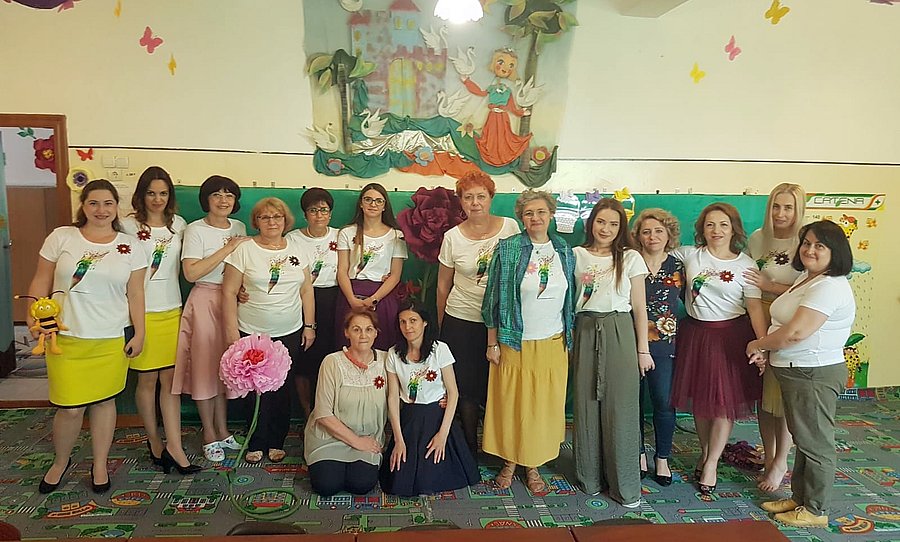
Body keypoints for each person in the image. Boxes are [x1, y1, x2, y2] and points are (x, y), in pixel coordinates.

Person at [28, 179, 146, 494]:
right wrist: (34, 317)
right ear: (83, 205)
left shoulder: (131, 245)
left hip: (110, 337)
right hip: (65, 338)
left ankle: (99, 464)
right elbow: (41, 279)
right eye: (93, 203)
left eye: (108, 203)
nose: (101, 210)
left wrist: (140, 333)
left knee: (105, 402)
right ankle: (60, 461)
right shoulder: (61, 237)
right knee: (70, 408)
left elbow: (136, 294)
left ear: (116, 207)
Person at [747, 220, 855, 528]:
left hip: (813, 373)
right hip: (798, 371)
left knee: (816, 444)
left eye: (820, 245)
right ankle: (800, 499)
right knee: (804, 439)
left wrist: (758, 344)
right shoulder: (808, 278)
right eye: (806, 243)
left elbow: (795, 333)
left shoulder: (829, 286)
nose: (810, 250)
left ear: (836, 252)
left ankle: (816, 510)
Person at [481, 189, 576, 493]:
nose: (535, 218)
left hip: (553, 341)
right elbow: (492, 299)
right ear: (521, 218)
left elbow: (571, 298)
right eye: (528, 213)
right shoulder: (508, 248)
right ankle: (510, 462)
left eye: (541, 212)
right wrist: (492, 343)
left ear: (551, 215)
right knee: (512, 405)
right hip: (514, 341)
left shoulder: (564, 250)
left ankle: (533, 465)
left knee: (542, 407)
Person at [670, 202, 767, 495]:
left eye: (723, 224)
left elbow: (754, 308)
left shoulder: (746, 264)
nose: (717, 230)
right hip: (696, 335)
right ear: (702, 229)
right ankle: (705, 452)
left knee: (724, 403)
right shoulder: (688, 254)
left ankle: (712, 462)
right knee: (701, 401)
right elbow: (654, 252)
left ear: (733, 229)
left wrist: (762, 345)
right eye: (710, 224)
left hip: (730, 337)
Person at [222, 197, 316, 464]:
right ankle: (256, 440)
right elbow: (228, 292)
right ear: (256, 222)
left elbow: (306, 290)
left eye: (277, 217)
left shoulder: (298, 248)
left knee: (282, 389)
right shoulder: (244, 250)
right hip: (252, 332)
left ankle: (277, 440)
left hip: (289, 331)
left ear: (286, 220)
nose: (271, 222)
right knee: (255, 390)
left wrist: (309, 326)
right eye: (265, 217)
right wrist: (232, 334)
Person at [120, 167, 200, 475]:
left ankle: (175, 445)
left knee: (171, 381)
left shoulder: (179, 224)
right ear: (141, 195)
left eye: (163, 193)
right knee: (147, 380)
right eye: (151, 193)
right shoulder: (127, 225)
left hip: (172, 309)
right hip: (141, 311)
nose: (157, 199)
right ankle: (154, 440)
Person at [572, 198, 651, 507]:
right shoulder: (576, 255)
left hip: (619, 330)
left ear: (622, 228)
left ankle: (625, 485)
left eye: (613, 224)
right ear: (591, 222)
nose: (606, 229)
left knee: (621, 408)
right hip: (584, 329)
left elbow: (640, 308)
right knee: (587, 404)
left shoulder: (630, 257)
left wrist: (642, 350)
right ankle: (590, 477)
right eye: (601, 222)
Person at [436, 171, 519, 457]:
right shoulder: (452, 237)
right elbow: (443, 285)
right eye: (468, 197)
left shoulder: (510, 228)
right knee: (466, 389)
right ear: (460, 201)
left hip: (500, 322)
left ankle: (500, 448)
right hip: (461, 320)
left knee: (500, 386)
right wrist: (442, 326)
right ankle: (470, 449)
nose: (475, 203)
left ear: (491, 198)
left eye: (481, 196)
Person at [172, 176, 248, 462]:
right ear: (207, 199)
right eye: (216, 195)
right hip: (204, 301)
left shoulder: (239, 227)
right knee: (204, 369)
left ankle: (223, 430)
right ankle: (208, 434)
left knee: (224, 369)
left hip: (231, 302)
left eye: (229, 195)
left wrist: (242, 289)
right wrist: (228, 248)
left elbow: (240, 267)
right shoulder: (195, 229)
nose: (223, 200)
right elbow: (191, 273)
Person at [743, 183, 806, 493]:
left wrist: (771, 287)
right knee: (764, 396)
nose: (781, 213)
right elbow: (748, 279)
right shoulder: (758, 238)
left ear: (799, 210)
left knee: (782, 397)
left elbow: (812, 286)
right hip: (758, 317)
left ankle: (782, 460)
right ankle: (769, 455)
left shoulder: (805, 240)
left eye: (788, 207)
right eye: (776, 206)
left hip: (789, 320)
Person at [381, 301, 480, 496]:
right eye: (402, 322)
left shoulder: (439, 349)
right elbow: (393, 397)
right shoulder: (393, 354)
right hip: (410, 419)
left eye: (413, 320)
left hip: (438, 417)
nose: (407, 327)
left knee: (431, 476)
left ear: (425, 322)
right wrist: (399, 439)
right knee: (401, 477)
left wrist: (442, 435)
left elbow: (453, 393)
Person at [304, 310, 388, 496]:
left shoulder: (386, 361)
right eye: (356, 329)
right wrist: (356, 442)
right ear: (346, 332)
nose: (363, 335)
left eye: (369, 329)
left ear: (376, 333)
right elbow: (323, 414)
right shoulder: (332, 362)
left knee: (361, 484)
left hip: (368, 438)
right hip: (329, 438)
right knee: (326, 485)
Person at [631, 208, 684, 488]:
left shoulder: (678, 266)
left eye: (658, 231)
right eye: (646, 231)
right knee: (633, 401)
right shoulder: (630, 261)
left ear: (669, 234)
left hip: (665, 343)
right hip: (629, 340)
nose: (652, 236)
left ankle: (662, 457)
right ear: (638, 236)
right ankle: (638, 452)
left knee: (664, 401)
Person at [286, 188, 339, 419]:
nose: (319, 215)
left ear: (330, 213)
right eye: (313, 210)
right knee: (304, 359)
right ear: (305, 214)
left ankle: (327, 411)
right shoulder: (293, 239)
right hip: (301, 299)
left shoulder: (341, 235)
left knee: (329, 356)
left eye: (324, 210)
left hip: (334, 299)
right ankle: (307, 412)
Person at [335, 183, 407, 351]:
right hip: (351, 294)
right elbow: (342, 270)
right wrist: (352, 300)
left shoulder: (396, 235)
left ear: (384, 206)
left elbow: (395, 275)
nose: (373, 204)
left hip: (382, 296)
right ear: (361, 203)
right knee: (350, 346)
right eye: (368, 199)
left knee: (381, 346)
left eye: (378, 201)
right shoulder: (347, 232)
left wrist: (373, 299)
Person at [461, 48, 532, 167]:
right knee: (491, 136)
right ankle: (491, 157)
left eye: (511, 65)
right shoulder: (492, 88)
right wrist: (467, 82)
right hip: (493, 116)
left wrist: (521, 113)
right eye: (501, 62)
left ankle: (502, 157)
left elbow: (512, 107)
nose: (505, 68)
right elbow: (480, 92)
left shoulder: (508, 90)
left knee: (504, 137)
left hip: (503, 117)